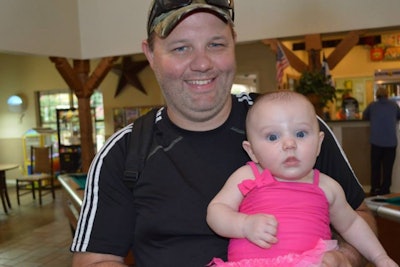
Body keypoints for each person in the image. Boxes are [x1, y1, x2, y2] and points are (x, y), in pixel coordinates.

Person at [71, 1, 376, 266]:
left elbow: (359, 215)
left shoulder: (295, 127)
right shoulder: (124, 152)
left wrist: (344, 259)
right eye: (181, 48)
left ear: (234, 44)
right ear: (150, 54)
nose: (202, 63)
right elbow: (94, 260)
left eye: (216, 44)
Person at [207, 91, 397, 267]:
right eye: (273, 136)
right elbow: (216, 211)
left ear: (318, 144)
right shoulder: (247, 176)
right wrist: (244, 225)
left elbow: (352, 224)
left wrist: (380, 257)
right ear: (252, 151)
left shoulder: (327, 186)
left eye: (300, 134)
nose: (289, 144)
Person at [363, 87, 400, 196]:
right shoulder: (394, 105)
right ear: (387, 95)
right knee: (388, 168)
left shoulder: (372, 106)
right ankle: (385, 190)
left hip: (376, 141)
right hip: (391, 142)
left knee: (375, 167)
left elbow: (364, 116)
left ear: (377, 95)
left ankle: (375, 189)